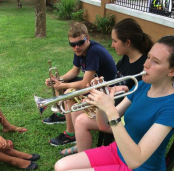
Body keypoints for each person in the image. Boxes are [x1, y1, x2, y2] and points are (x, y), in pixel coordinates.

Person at [54, 35, 174, 171]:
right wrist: (102, 103)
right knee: (60, 166)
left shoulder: (173, 107)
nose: (146, 65)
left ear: (173, 71)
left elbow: (135, 160)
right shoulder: (143, 87)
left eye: (155, 62)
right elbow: (104, 125)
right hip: (118, 151)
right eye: (148, 57)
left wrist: (111, 111)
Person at [60, 18, 154, 156]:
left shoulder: (142, 67)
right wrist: (98, 89)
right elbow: (113, 83)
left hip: (122, 115)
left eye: (115, 41)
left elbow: (133, 99)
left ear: (127, 42)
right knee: (75, 110)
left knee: (80, 120)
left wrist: (104, 98)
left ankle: (83, 156)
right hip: (111, 104)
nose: (112, 45)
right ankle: (81, 145)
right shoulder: (126, 59)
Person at [43, 22, 117, 146]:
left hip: (105, 88)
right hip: (92, 83)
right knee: (62, 83)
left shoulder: (94, 52)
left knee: (69, 94)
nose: (76, 47)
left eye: (80, 43)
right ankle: (63, 114)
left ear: (87, 38)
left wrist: (63, 86)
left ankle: (71, 135)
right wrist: (58, 80)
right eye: (72, 44)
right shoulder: (80, 50)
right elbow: (75, 70)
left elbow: (84, 83)